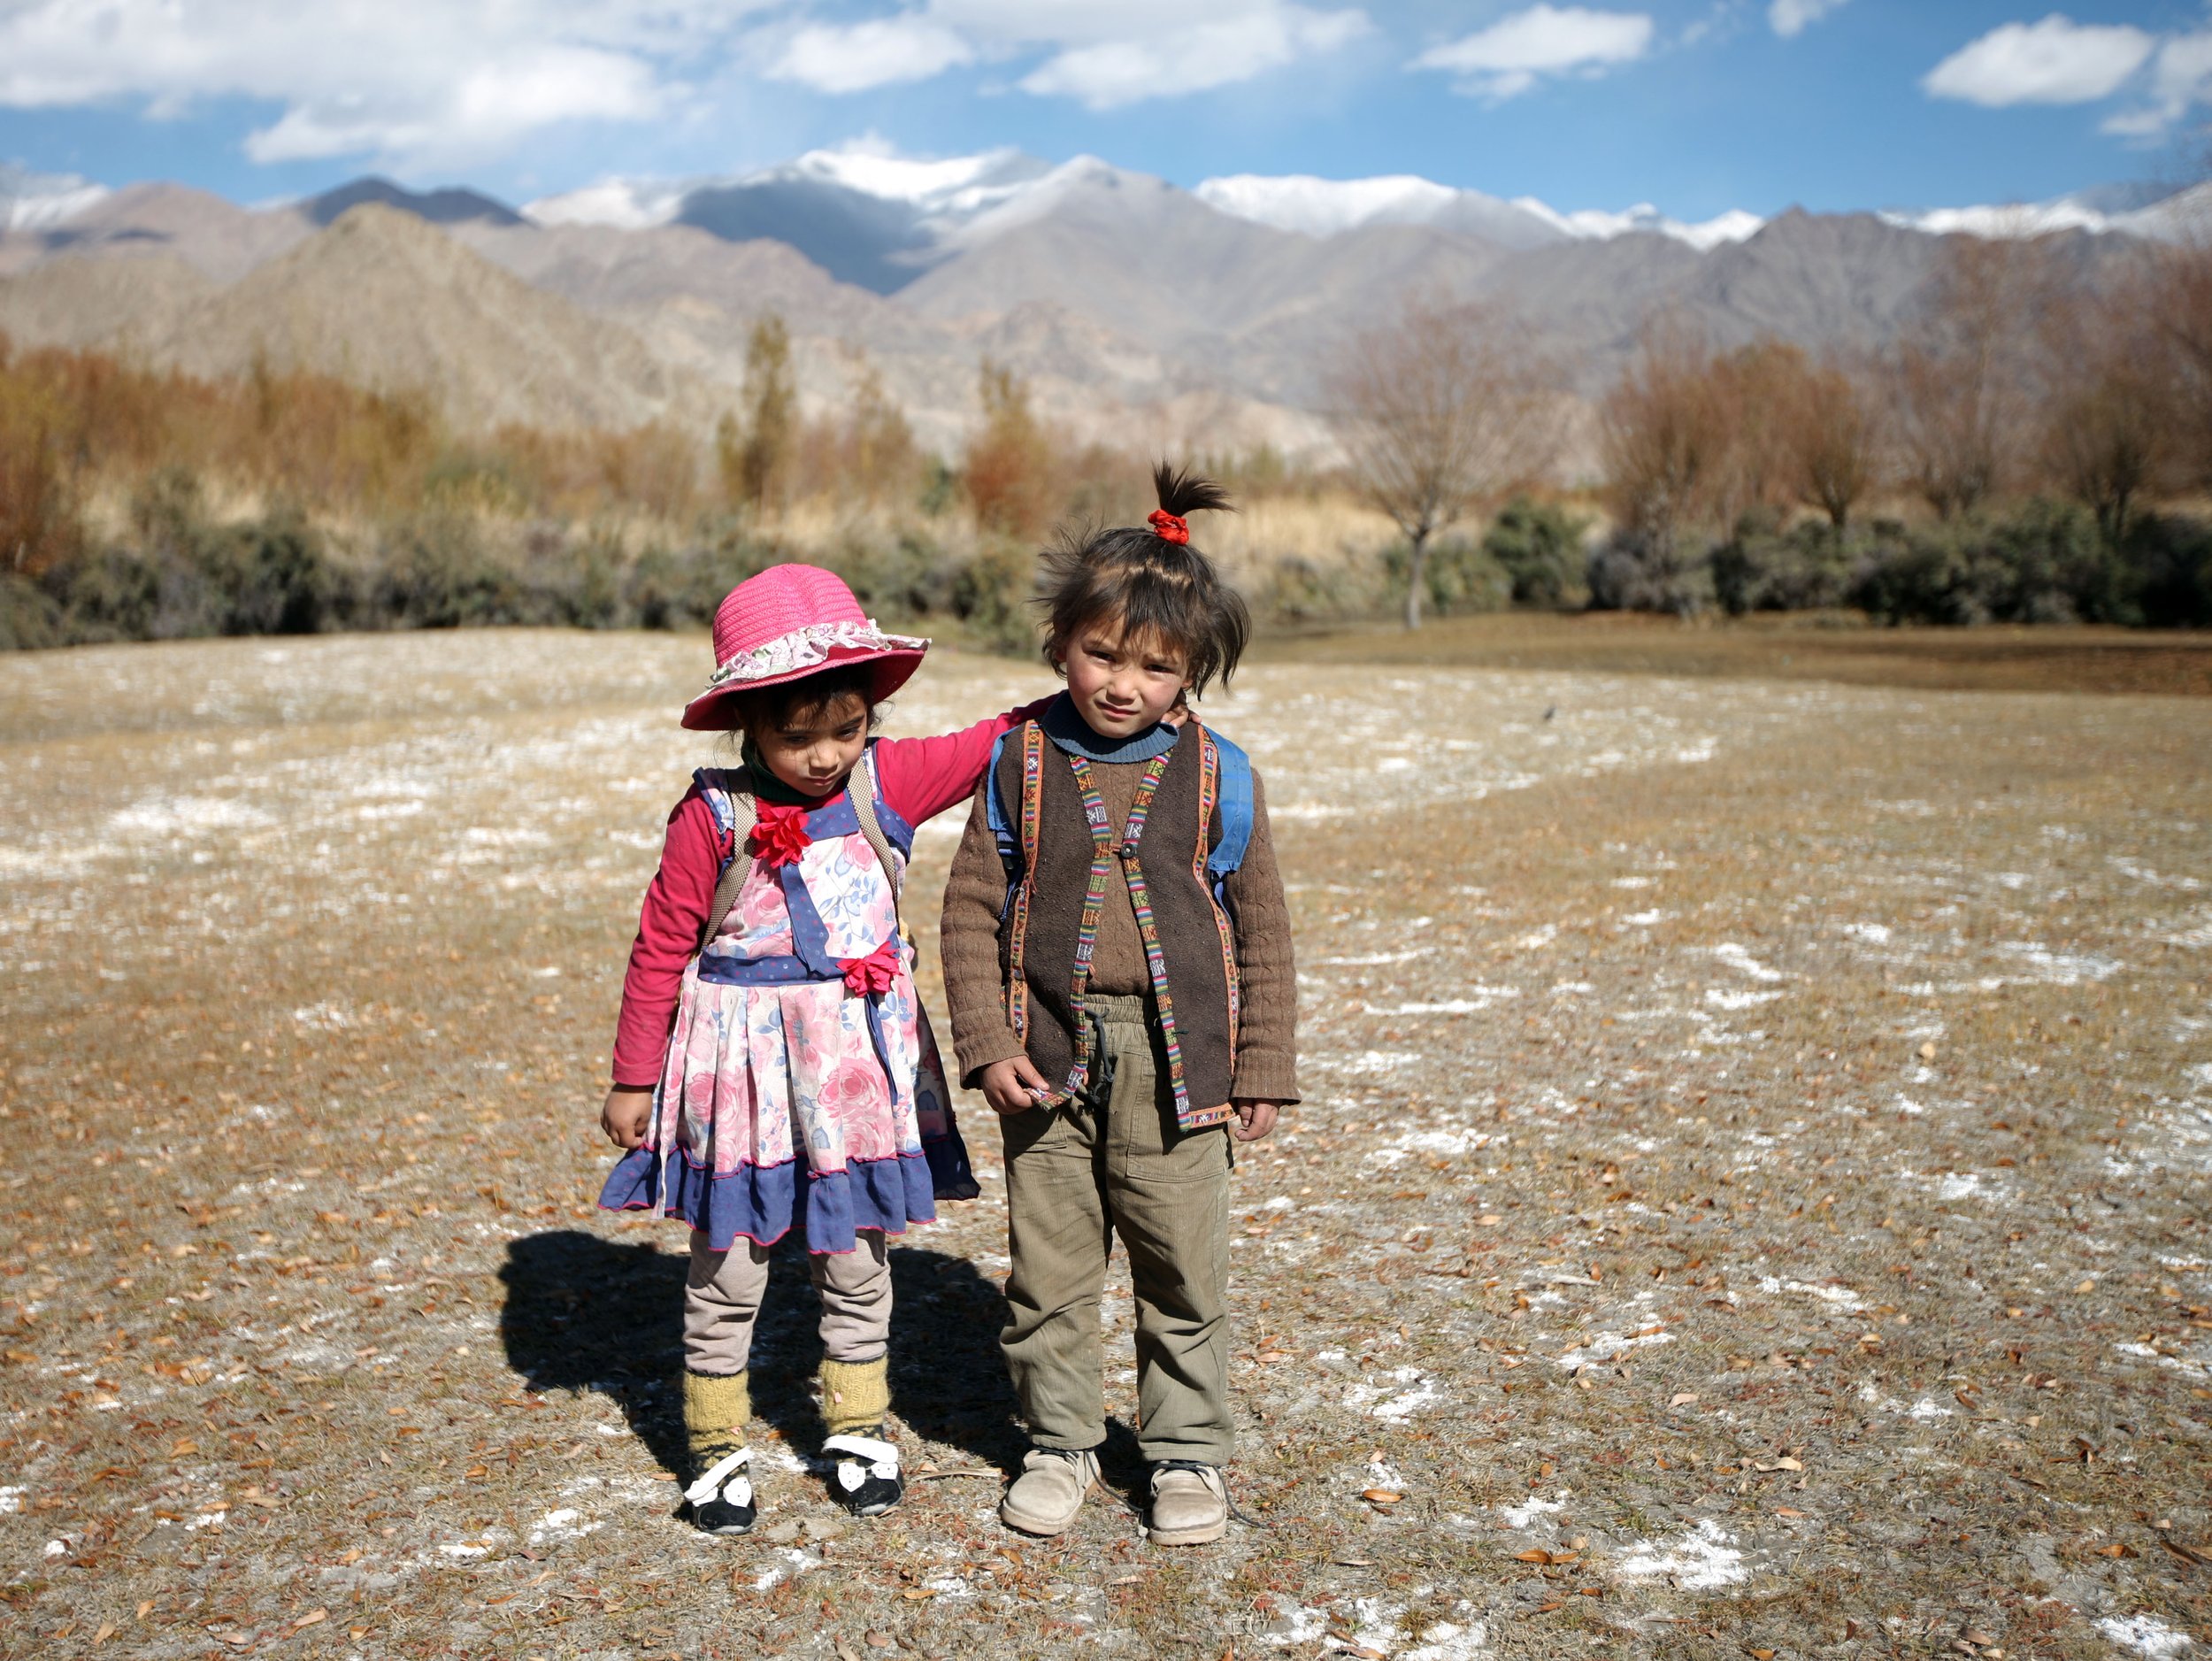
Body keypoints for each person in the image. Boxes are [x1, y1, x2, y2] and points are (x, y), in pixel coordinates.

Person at [596, 563, 1051, 1536]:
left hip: (852, 1073)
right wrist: (635, 1074)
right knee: (730, 1261)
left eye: (844, 729)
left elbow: (993, 741)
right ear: (748, 722)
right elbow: (660, 946)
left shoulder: (889, 778)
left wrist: (1093, 682)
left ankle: (855, 1424)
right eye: (795, 735)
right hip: (739, 1077)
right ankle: (715, 1444)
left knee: (854, 1257)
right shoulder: (711, 815)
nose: (822, 756)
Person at [939, 466, 1298, 1548]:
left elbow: (1264, 925)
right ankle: (1056, 1440)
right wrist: (988, 1040)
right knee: (1047, 1268)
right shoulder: (1020, 760)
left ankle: (1185, 1453)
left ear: (1193, 671)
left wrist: (1262, 1063)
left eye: (1155, 665)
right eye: (1102, 652)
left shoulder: (1221, 773)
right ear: (1059, 641)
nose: (1122, 682)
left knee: (1182, 1266)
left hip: (1179, 1059)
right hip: (1044, 1060)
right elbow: (965, 913)